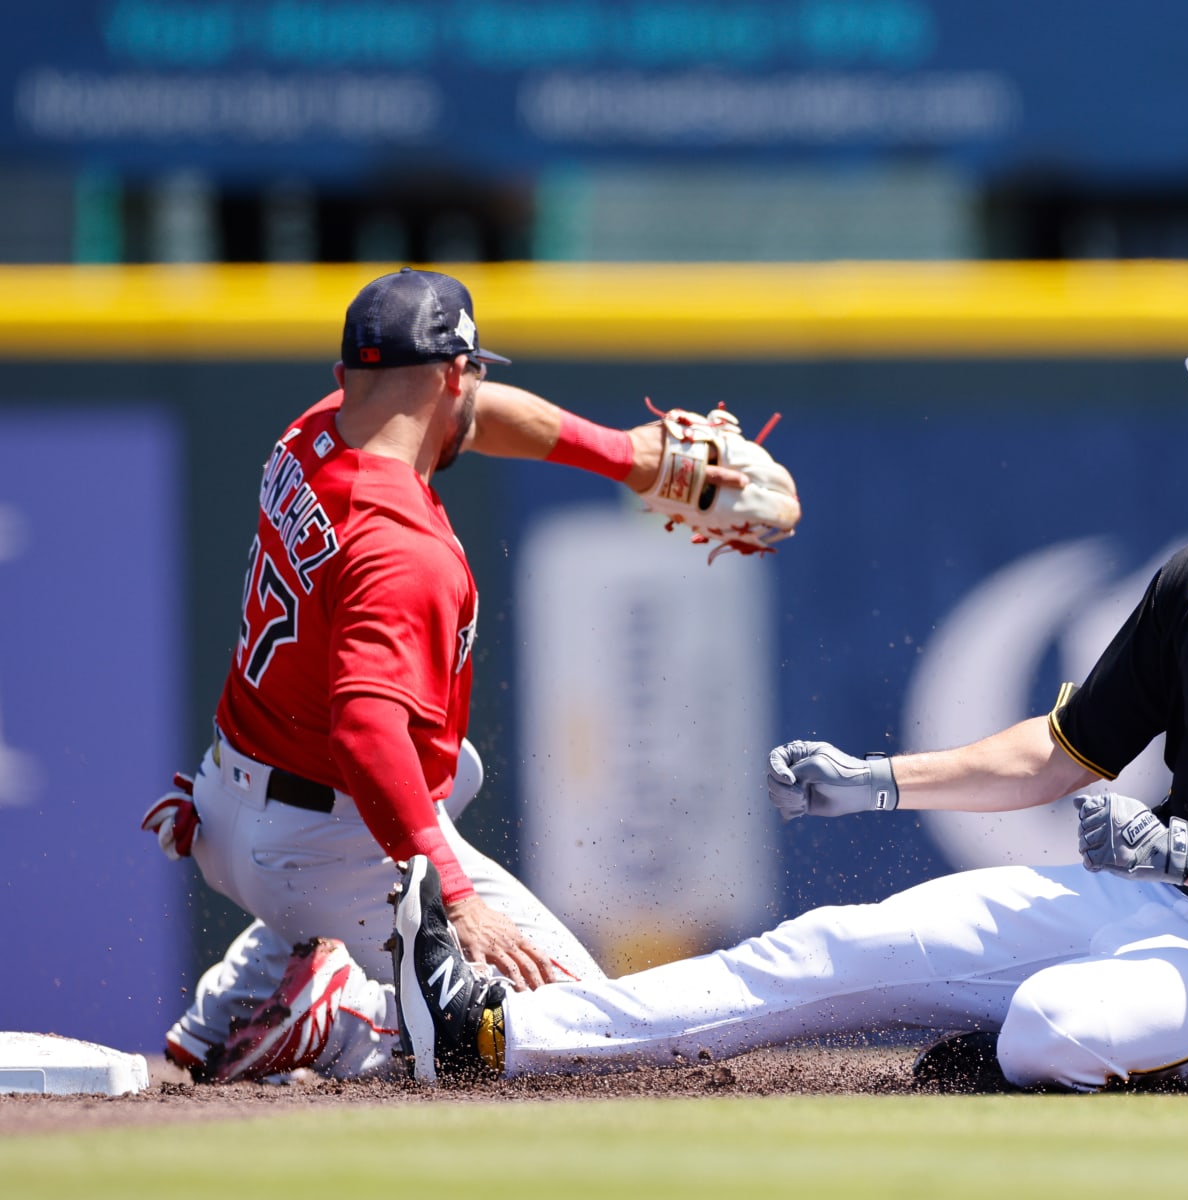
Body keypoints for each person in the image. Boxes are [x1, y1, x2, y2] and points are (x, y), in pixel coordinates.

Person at [390, 318, 1188, 1092]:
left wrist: (1185, 856)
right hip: (1151, 907)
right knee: (828, 947)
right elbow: (1059, 754)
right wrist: (879, 782)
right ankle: (494, 1039)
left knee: (1047, 1031)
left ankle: (1046, 1064)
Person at [143, 267, 749, 1082]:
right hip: (327, 843)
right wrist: (459, 899)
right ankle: (339, 1018)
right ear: (455, 374)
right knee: (583, 1043)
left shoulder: (314, 431)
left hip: (228, 800)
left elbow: (469, 416)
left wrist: (631, 458)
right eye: (474, 374)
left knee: (451, 768)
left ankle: (253, 986)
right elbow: (366, 734)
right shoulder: (401, 546)